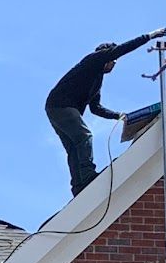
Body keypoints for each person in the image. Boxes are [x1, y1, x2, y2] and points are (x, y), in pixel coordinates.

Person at [45, 31, 158, 196]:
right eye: (113, 61)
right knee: (84, 136)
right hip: (61, 105)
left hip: (55, 108)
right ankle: (88, 175)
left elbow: (95, 107)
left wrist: (118, 115)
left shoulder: (96, 80)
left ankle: (78, 185)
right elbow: (122, 49)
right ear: (108, 58)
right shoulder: (93, 60)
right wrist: (148, 36)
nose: (114, 66)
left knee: (74, 147)